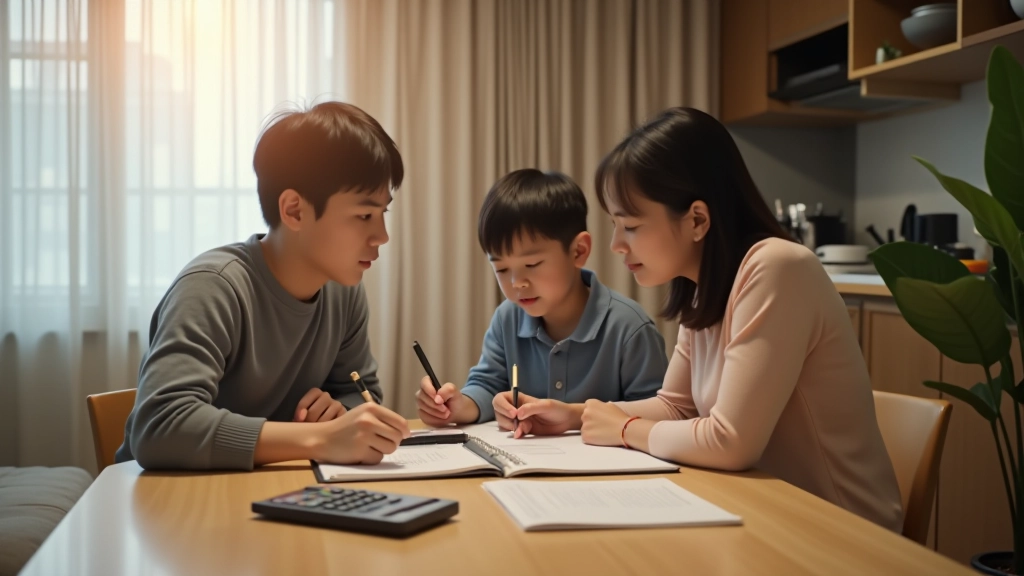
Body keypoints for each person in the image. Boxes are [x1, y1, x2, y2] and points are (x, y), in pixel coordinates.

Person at [510, 108, 904, 532]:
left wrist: (625, 428)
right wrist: (574, 415)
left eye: (631, 225)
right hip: (766, 511)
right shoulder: (708, 286)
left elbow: (730, 442)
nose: (617, 245)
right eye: (614, 225)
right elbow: (675, 407)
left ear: (697, 219)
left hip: (841, 532)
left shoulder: (777, 268)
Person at [116, 101, 411, 471]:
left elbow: (362, 394)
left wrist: (341, 412)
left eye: (383, 213)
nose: (381, 236)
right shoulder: (213, 288)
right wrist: (321, 438)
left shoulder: (343, 291)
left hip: (273, 488)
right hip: (168, 498)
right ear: (294, 210)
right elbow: (160, 427)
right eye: (364, 215)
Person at [416, 169, 667, 427]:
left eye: (532, 264)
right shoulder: (508, 318)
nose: (517, 282)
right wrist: (460, 406)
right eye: (501, 269)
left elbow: (658, 413)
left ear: (578, 251)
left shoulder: (629, 329)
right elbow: (487, 384)